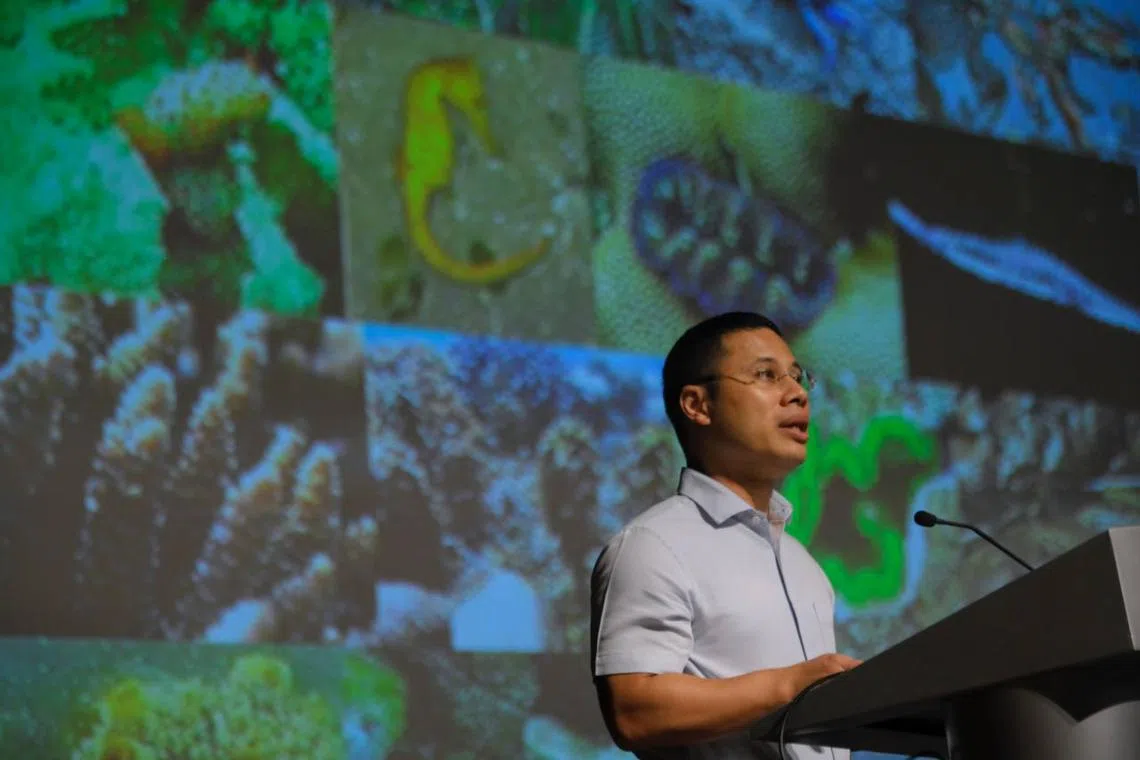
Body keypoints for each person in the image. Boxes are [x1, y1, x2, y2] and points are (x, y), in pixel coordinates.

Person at [589, 311, 861, 759]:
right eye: (765, 375)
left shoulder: (804, 564)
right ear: (698, 405)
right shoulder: (651, 546)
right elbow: (634, 711)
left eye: (798, 376)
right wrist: (788, 684)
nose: (797, 394)